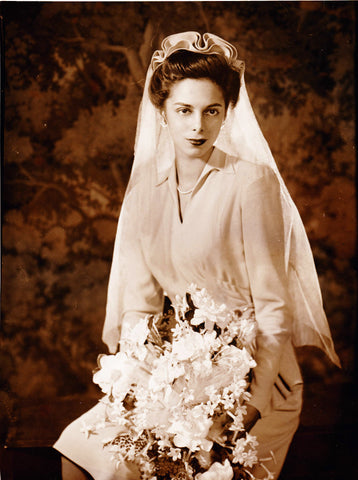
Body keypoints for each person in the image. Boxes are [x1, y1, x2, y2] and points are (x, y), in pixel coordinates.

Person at [54, 32, 340, 480]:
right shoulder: (144, 190)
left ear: (226, 114)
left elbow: (272, 306)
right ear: (162, 113)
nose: (197, 126)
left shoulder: (251, 182)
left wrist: (252, 404)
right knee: (79, 452)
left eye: (212, 111)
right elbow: (140, 306)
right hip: (176, 373)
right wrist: (136, 380)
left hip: (256, 382)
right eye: (183, 110)